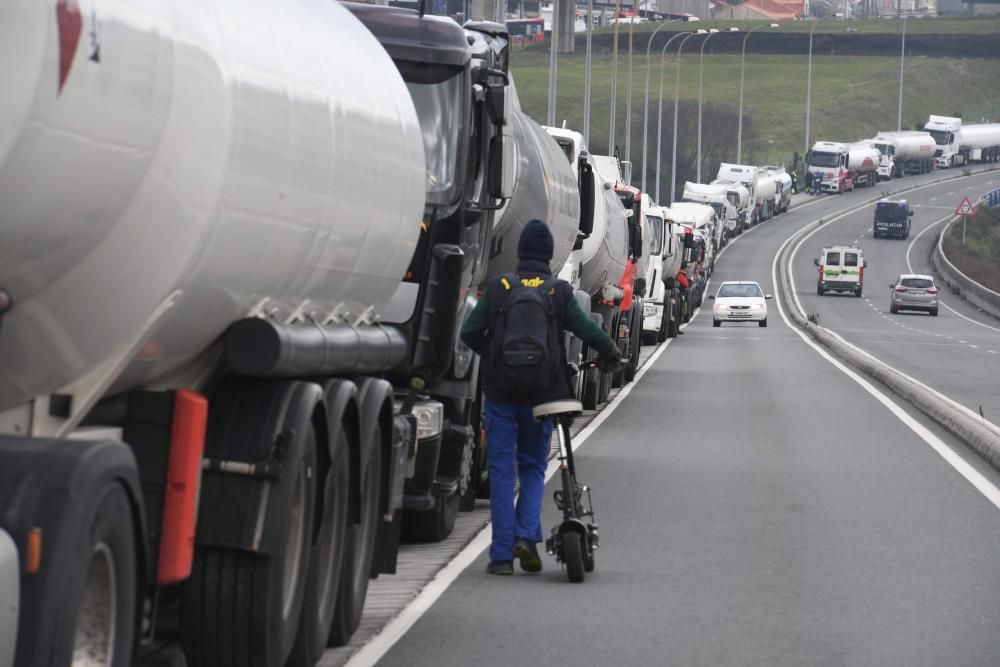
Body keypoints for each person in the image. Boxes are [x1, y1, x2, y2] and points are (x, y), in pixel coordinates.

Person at [460, 219, 621, 576]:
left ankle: (501, 556)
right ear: (548, 255)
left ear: (521, 253)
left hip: (501, 394)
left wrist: (493, 355)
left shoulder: (499, 287)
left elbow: (469, 331)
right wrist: (610, 351)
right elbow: (587, 329)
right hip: (542, 394)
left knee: (502, 471)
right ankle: (526, 538)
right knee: (533, 467)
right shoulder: (558, 291)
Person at [674, 266, 690, 335]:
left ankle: (677, 329)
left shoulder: (680, 274)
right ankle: (676, 329)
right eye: (686, 267)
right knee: (678, 314)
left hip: (678, 296)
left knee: (679, 314)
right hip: (679, 296)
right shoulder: (681, 275)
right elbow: (686, 284)